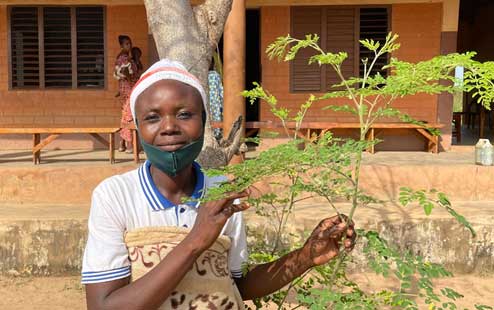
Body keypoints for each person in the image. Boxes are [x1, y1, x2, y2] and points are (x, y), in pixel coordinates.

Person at [82, 59, 356, 310]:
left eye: (184, 114)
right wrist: (196, 241)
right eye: (152, 117)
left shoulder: (222, 191)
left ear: (204, 123)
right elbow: (103, 306)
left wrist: (305, 256)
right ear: (137, 128)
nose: (169, 127)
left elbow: (236, 284)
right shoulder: (115, 196)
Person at [114, 35, 138, 153]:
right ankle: (129, 145)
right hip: (129, 89)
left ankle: (121, 144)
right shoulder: (125, 59)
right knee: (129, 116)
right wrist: (130, 79)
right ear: (121, 45)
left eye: (130, 43)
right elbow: (124, 72)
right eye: (127, 44)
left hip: (124, 89)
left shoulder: (121, 57)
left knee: (124, 115)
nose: (129, 46)